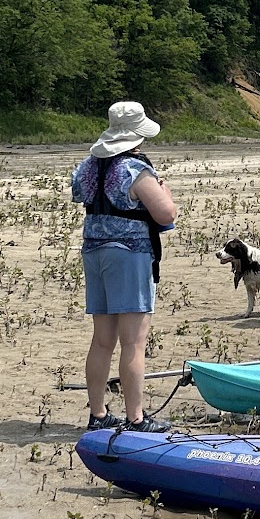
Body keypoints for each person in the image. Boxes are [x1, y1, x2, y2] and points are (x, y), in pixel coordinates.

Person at [70, 100, 177, 433]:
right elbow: (166, 213)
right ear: (137, 135)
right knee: (133, 341)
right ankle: (136, 418)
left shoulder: (89, 165)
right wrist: (164, 188)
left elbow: (79, 193)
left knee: (102, 339)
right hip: (129, 254)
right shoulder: (134, 168)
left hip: (94, 250)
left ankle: (98, 414)